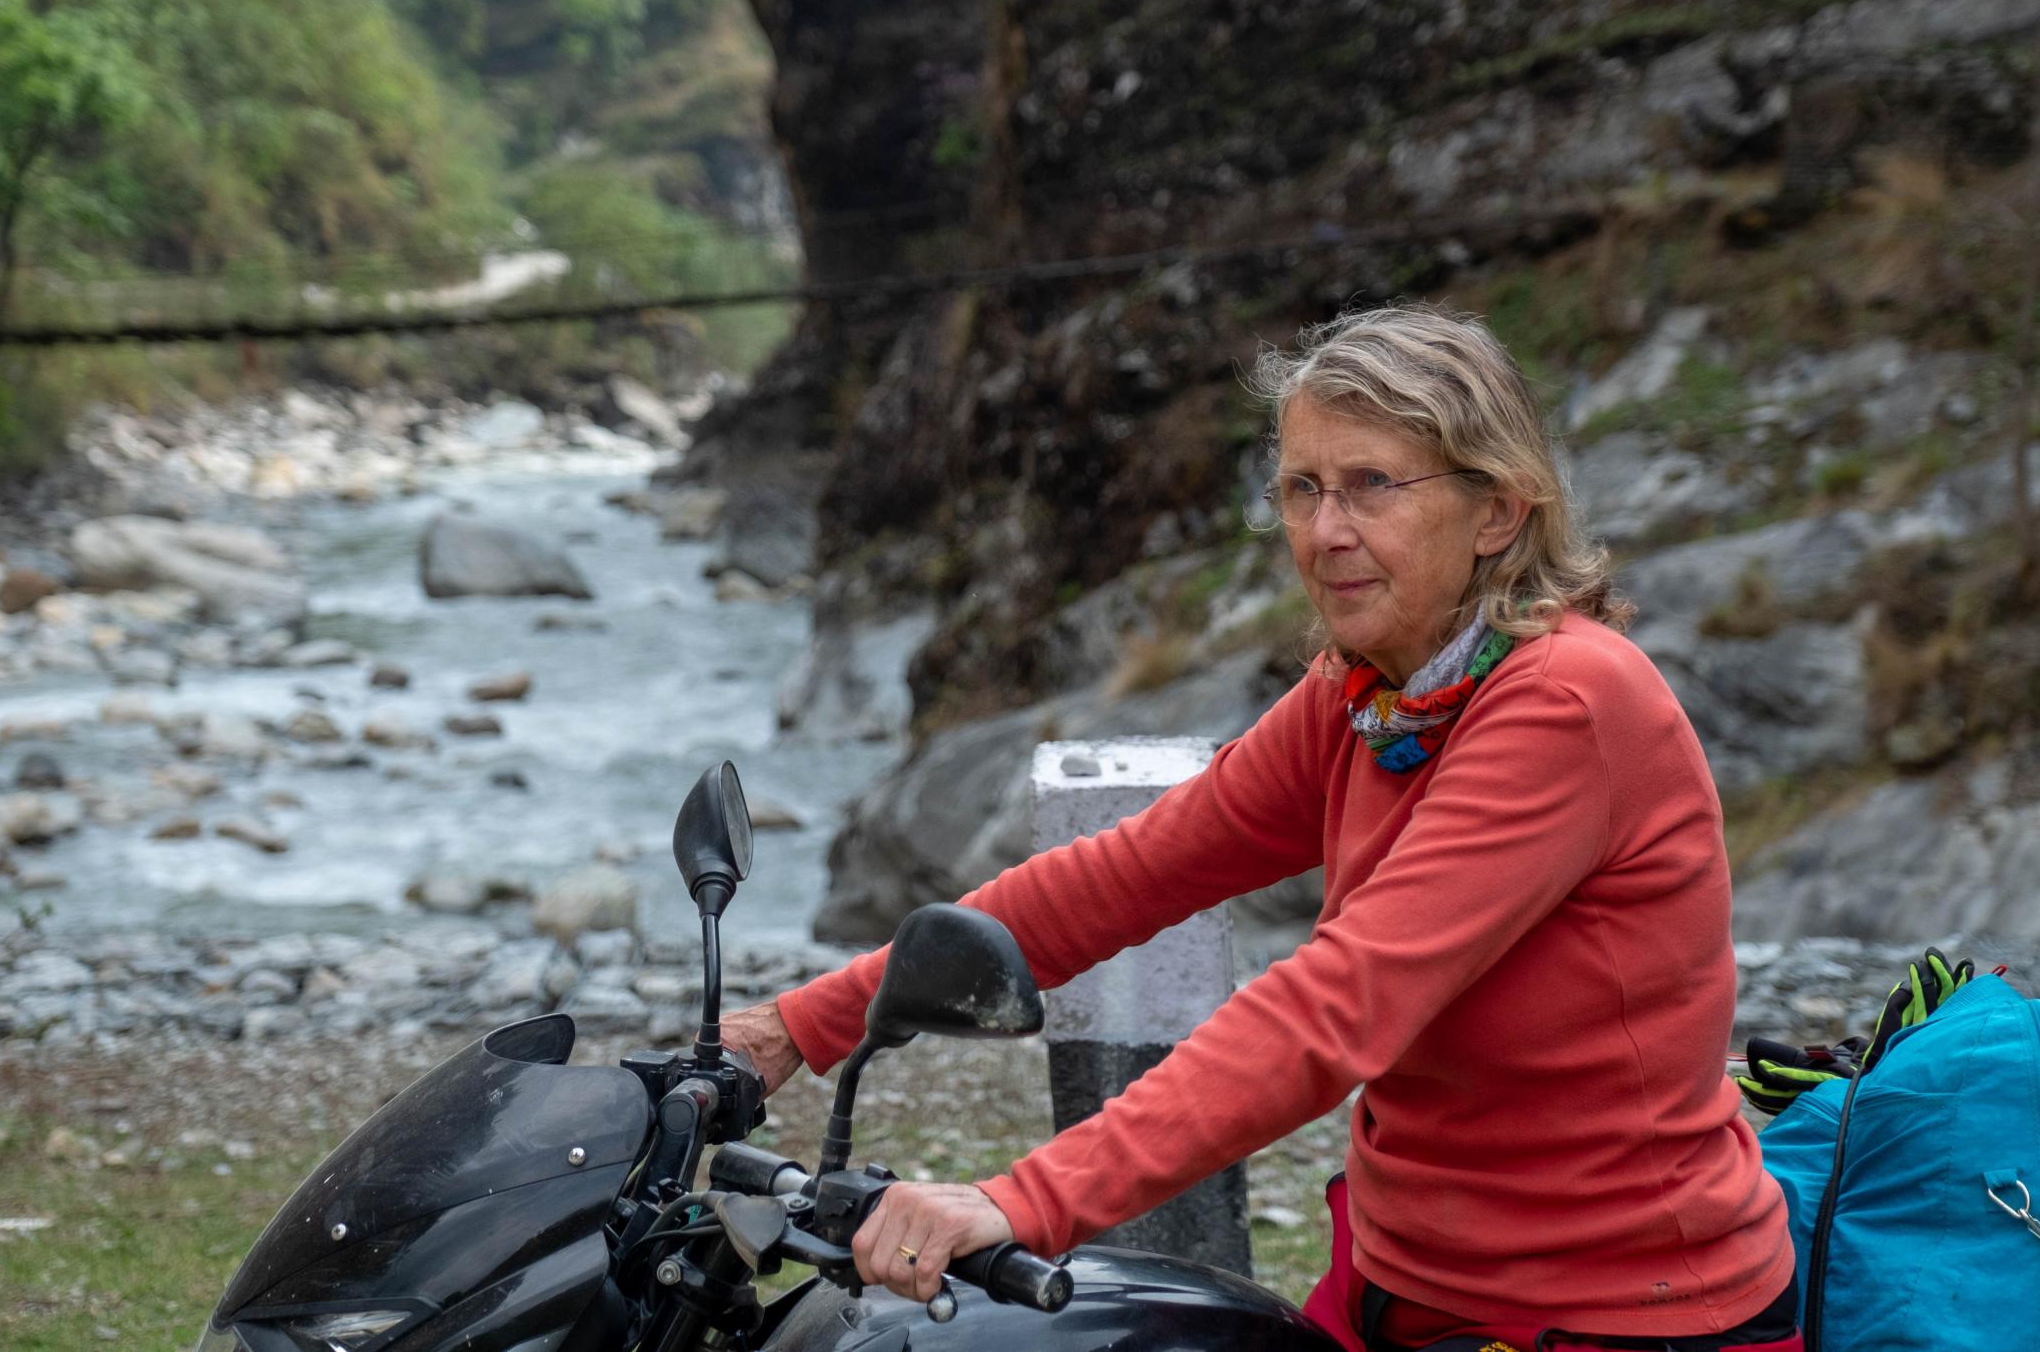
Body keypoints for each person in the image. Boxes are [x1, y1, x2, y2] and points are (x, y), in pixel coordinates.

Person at [720, 304, 1798, 1352]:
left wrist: (1024, 1197)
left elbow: (1336, 1003)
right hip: (1401, 1281)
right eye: (1302, 487)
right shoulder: (1375, 689)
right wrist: (790, 1028)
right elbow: (1123, 876)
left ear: (1498, 511)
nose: (1326, 531)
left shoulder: (1563, 699)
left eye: (1372, 484)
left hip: (1609, 1309)